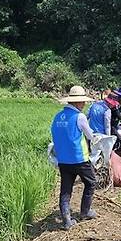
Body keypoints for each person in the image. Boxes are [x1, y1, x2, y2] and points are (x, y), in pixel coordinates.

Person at [50, 86, 97, 230]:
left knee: (66, 189)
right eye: (82, 102)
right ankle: (85, 212)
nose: (84, 105)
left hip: (63, 160)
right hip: (79, 159)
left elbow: (55, 135)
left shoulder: (57, 117)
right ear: (76, 103)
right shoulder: (80, 116)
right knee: (91, 183)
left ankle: (66, 221)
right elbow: (90, 136)